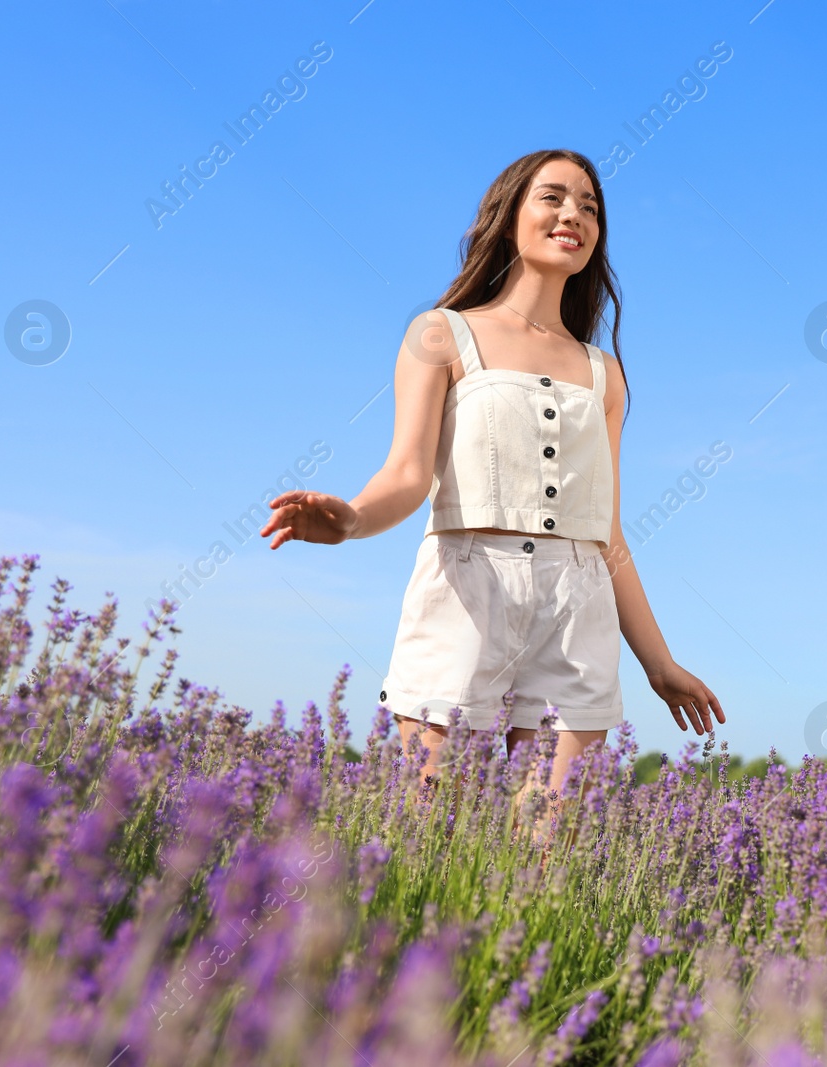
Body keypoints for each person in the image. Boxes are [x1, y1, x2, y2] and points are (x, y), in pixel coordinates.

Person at [258, 148, 725, 793]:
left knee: (549, 851)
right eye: (554, 197)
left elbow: (606, 532)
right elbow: (407, 473)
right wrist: (353, 520)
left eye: (590, 208)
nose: (575, 216)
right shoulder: (441, 334)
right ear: (509, 216)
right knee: (434, 833)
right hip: (466, 595)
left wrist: (659, 662)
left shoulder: (604, 373)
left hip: (576, 609)